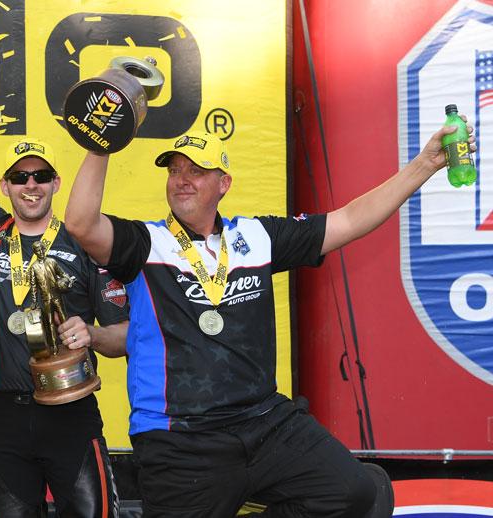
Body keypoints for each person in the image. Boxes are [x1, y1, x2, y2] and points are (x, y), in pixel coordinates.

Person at [64, 121, 475, 517]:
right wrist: (102, 145)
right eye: (174, 171)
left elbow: (349, 220)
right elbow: (81, 224)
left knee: (353, 492)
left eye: (196, 171)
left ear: (223, 183)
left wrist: (425, 165)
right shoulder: (146, 243)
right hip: (182, 438)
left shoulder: (256, 238)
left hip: (264, 422)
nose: (182, 180)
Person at [0, 38, 129, 518]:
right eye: (20, 177)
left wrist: (91, 333)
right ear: (5, 185)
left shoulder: (86, 238)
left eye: (40, 176)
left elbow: (124, 336)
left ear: (56, 182)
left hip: (71, 410)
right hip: (4, 415)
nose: (30, 185)